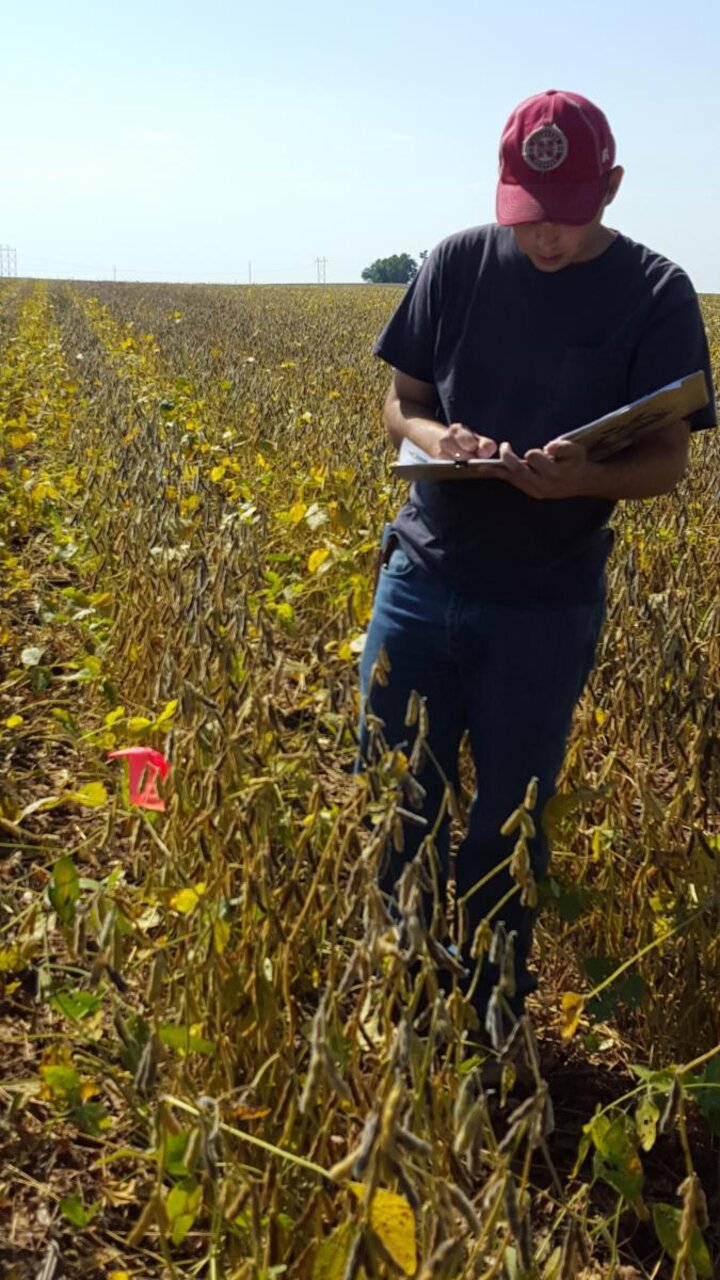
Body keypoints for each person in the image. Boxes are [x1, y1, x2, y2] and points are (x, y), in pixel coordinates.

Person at [359, 89, 717, 1034]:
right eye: (527, 213)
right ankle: (403, 1006)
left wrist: (579, 479)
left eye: (566, 215)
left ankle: (489, 1023)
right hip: (421, 577)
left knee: (504, 828)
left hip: (543, 606)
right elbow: (403, 402)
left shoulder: (656, 292)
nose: (544, 238)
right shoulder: (456, 260)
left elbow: (670, 461)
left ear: (613, 187)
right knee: (397, 806)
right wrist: (443, 442)